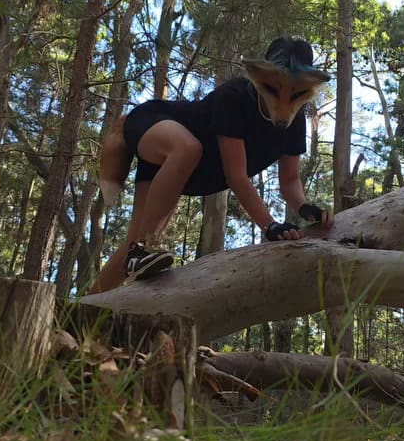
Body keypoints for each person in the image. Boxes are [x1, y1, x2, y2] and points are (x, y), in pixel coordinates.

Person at [91, 37, 333, 292]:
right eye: (274, 90)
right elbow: (236, 176)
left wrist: (305, 207)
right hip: (157, 127)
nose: (284, 109)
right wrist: (269, 225)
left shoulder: (295, 123)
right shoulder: (235, 97)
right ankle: (141, 251)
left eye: (295, 94)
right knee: (187, 149)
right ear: (258, 76)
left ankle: (80, 312)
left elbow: (290, 180)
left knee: (134, 239)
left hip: (180, 171)